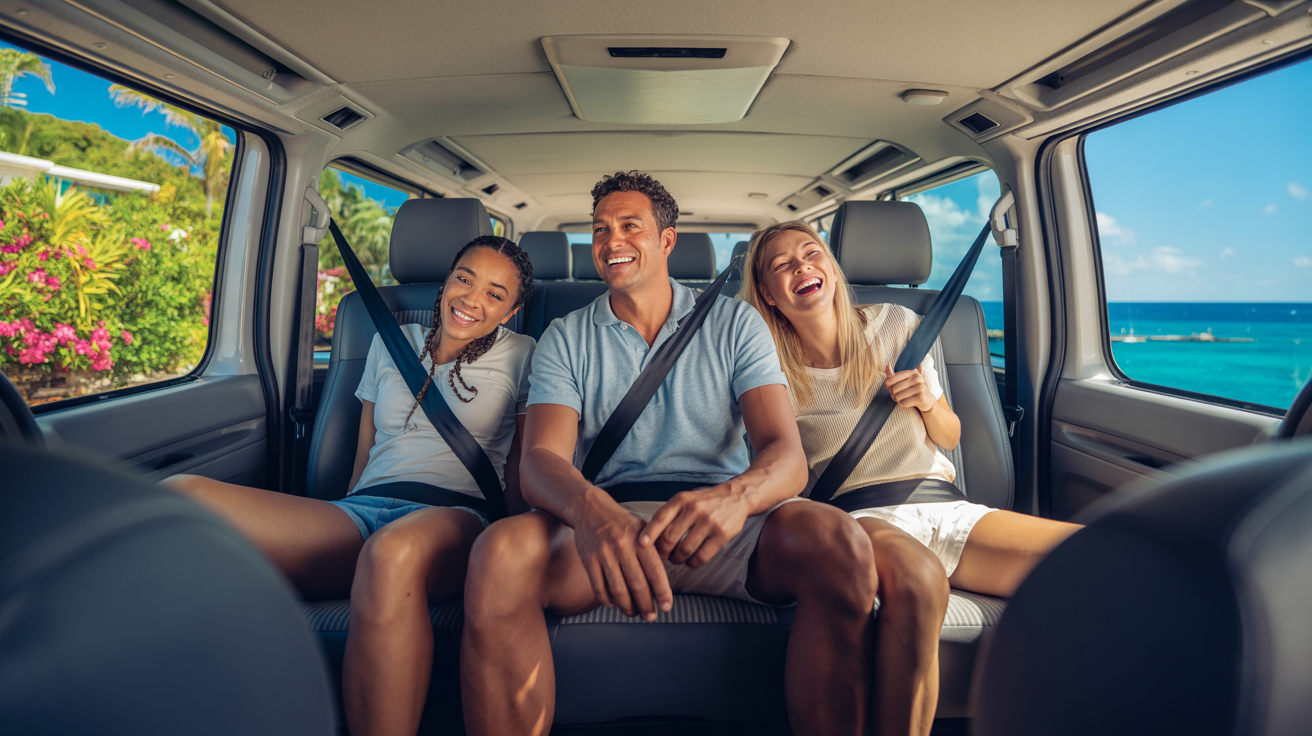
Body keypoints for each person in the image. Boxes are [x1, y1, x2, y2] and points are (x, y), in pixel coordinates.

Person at [461, 172, 878, 736]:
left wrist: (735, 499)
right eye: (600, 229)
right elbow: (540, 461)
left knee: (842, 544)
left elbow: (785, 453)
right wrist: (592, 512)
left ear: (666, 240)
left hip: (728, 521)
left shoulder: (736, 322)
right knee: (498, 554)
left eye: (629, 226)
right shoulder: (565, 335)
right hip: (610, 520)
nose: (611, 240)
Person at [165, 235, 536, 736]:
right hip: (363, 511)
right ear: (447, 280)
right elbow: (366, 453)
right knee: (181, 499)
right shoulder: (389, 340)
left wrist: (513, 557)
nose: (471, 299)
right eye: (464, 279)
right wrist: (341, 512)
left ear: (511, 311)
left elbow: (523, 467)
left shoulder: (525, 354)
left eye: (494, 293)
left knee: (392, 552)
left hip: (456, 517)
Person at [740, 220, 1082, 736]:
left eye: (811, 253)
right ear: (767, 292)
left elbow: (949, 434)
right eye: (782, 265)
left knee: (1099, 557)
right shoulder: (763, 359)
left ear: (831, 265)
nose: (802, 268)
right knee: (920, 580)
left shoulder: (899, 324)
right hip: (858, 518)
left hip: (947, 507)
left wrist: (927, 401)